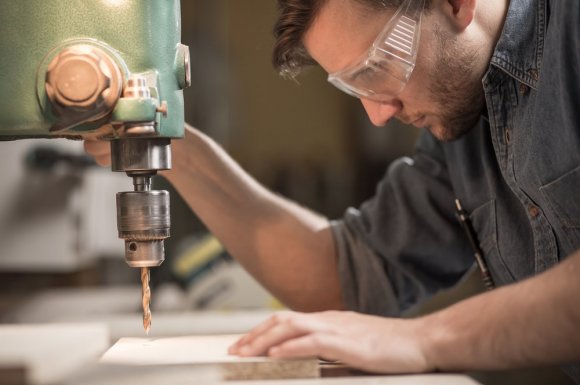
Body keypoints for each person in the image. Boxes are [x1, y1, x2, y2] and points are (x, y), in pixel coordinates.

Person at [86, 0, 580, 381]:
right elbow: (348, 274)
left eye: (377, 69)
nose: (378, 114)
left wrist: (425, 339)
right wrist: (174, 145)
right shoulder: (462, 127)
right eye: (353, 87)